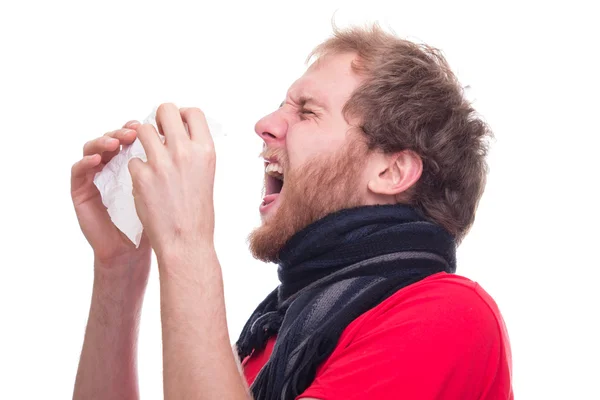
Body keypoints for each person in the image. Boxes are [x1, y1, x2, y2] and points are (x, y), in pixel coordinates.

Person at [71, 24, 512, 400]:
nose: (265, 124)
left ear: (392, 169)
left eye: (306, 111)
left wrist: (186, 242)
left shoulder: (447, 315)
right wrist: (121, 269)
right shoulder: (278, 332)